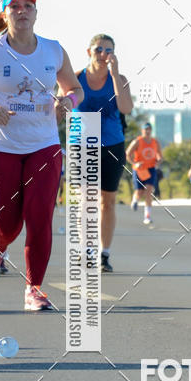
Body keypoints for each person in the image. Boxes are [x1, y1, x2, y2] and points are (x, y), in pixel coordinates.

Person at [0, 0, 83, 309]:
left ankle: (34, 288)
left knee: (40, 216)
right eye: (14, 7)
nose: (22, 11)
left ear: (35, 13)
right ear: (5, 15)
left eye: (27, 6)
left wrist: (67, 101)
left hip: (45, 146)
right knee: (7, 223)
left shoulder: (53, 50)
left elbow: (75, 88)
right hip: (2, 147)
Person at [75, 34, 133, 271]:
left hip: (112, 145)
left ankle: (103, 253)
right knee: (86, 200)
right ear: (89, 51)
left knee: (107, 201)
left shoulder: (119, 79)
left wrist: (116, 74)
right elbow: (62, 106)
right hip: (83, 145)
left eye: (109, 50)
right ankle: (86, 249)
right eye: (99, 49)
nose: (103, 54)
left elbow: (126, 108)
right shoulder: (76, 78)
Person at [126, 122, 162, 225]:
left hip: (150, 168)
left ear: (151, 130)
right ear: (142, 130)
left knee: (149, 191)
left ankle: (147, 216)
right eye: (145, 129)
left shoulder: (155, 142)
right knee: (139, 191)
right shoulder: (137, 141)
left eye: (149, 129)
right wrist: (135, 163)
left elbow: (160, 156)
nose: (147, 131)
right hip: (140, 169)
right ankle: (135, 200)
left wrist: (158, 162)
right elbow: (128, 154)